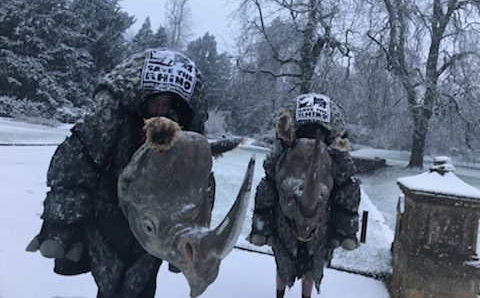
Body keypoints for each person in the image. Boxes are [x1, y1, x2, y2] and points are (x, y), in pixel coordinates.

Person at [26, 48, 210, 297]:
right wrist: (63, 221)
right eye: (156, 101)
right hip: (110, 214)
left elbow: (194, 185)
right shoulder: (117, 122)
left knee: (141, 287)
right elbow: (78, 160)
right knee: (112, 286)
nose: (160, 109)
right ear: (144, 99)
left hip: (152, 226)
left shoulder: (180, 137)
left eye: (166, 103)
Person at [248, 93, 360, 298]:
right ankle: (261, 227)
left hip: (320, 213)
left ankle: (345, 231)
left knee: (312, 262)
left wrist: (339, 153)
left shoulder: (331, 147)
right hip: (288, 207)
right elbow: (271, 168)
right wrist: (284, 144)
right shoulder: (288, 146)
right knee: (283, 257)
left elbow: (344, 175)